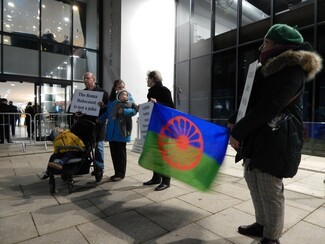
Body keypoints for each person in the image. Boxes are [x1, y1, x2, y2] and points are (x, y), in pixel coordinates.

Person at [227, 24, 322, 244]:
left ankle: (272, 237)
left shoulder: (291, 69)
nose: (262, 46)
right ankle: (262, 224)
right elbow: (251, 100)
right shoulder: (266, 68)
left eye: (266, 42)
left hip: (277, 137)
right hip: (260, 135)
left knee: (270, 188)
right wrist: (234, 118)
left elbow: (269, 105)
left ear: (280, 45)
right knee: (254, 181)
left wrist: (239, 132)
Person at [98, 80, 137, 182]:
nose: (122, 89)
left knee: (121, 153)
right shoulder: (111, 100)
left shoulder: (127, 96)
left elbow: (134, 110)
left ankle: (121, 174)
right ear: (115, 88)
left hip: (121, 129)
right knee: (114, 153)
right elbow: (108, 113)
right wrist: (100, 119)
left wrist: (124, 111)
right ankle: (117, 172)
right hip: (111, 130)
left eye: (123, 87)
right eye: (119, 87)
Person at [142, 70, 175, 191]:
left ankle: (166, 180)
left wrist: (158, 103)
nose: (147, 81)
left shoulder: (164, 90)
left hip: (164, 127)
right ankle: (156, 177)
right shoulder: (151, 92)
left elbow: (171, 107)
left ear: (153, 79)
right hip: (155, 126)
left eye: (148, 79)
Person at [78, 72, 108, 181]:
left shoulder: (103, 93)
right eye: (84, 78)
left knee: (99, 147)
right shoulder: (82, 94)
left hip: (98, 125)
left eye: (88, 78)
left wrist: (103, 106)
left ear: (93, 79)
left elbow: (108, 110)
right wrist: (76, 113)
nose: (86, 80)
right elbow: (74, 108)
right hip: (85, 125)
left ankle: (99, 168)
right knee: (84, 146)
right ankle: (83, 165)